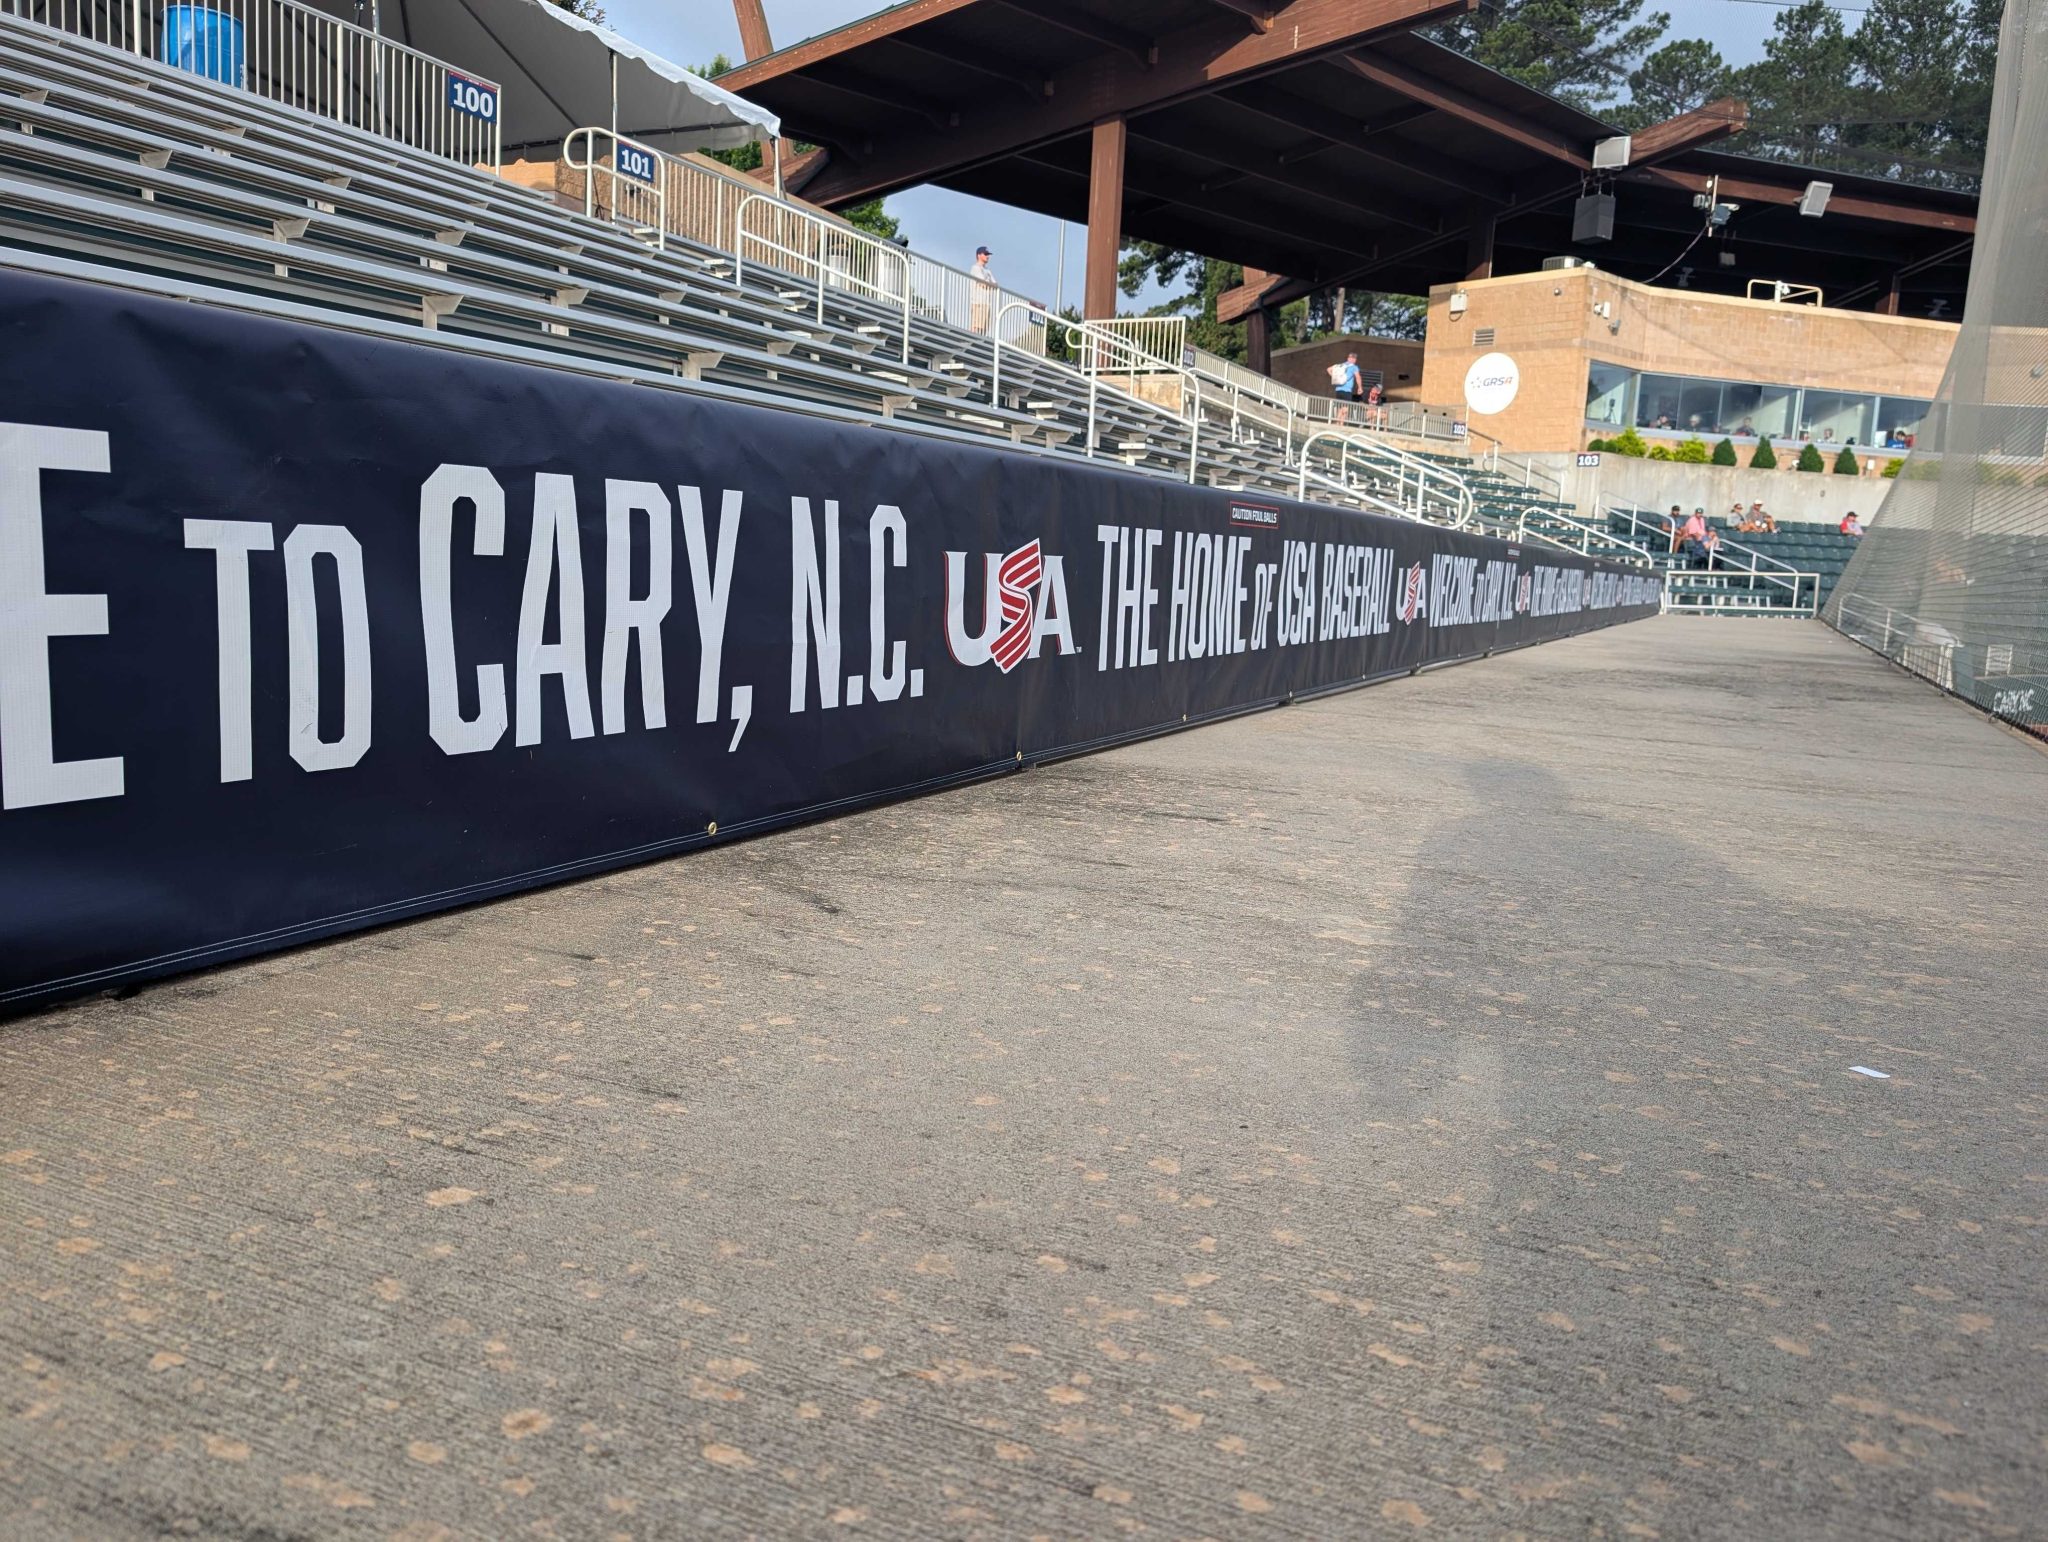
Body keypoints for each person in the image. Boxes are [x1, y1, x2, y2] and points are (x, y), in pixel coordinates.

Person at [1328, 351, 1362, 425]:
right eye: (1355, 358)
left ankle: (1337, 423)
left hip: (1338, 389)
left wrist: (1335, 378)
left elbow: (1328, 369)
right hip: (1347, 390)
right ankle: (1341, 424)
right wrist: (1360, 387)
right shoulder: (1354, 367)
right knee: (1345, 408)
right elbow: (1358, 377)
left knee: (1339, 407)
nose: (1355, 360)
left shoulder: (1341, 365)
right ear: (1353, 359)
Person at [969, 245, 995, 333]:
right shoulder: (975, 268)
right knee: (976, 325)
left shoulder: (988, 270)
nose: (988, 256)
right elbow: (983, 283)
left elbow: (995, 285)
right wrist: (989, 284)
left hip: (986, 302)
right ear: (979, 255)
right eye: (985, 254)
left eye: (988, 254)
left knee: (984, 327)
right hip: (978, 301)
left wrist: (989, 284)